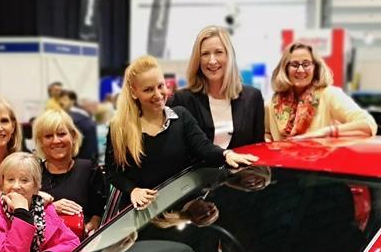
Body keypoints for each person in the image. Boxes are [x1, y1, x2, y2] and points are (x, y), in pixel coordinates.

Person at [107, 55, 257, 211]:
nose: (158, 95)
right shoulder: (120, 128)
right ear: (133, 92)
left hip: (183, 210)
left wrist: (227, 154)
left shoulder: (181, 116)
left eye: (161, 86)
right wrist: (133, 190)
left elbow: (204, 147)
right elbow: (113, 172)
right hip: (144, 216)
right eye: (148, 90)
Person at [169, 25, 266, 151]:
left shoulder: (253, 97)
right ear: (198, 60)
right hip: (200, 170)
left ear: (228, 56)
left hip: (244, 169)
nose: (212, 60)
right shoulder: (183, 99)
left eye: (218, 52)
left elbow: (258, 148)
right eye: (205, 54)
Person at [265, 43, 375, 142]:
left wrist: (327, 132)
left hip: (319, 163)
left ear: (315, 68)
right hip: (281, 163)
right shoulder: (272, 103)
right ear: (285, 69)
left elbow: (368, 124)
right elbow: (266, 135)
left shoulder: (329, 95)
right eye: (294, 65)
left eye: (306, 64)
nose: (300, 70)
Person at [32, 107, 107, 237]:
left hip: (82, 246)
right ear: (40, 142)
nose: (56, 140)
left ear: (73, 136)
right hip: (43, 249)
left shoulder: (90, 169)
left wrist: (92, 225)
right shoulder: (32, 173)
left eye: (61, 134)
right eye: (49, 136)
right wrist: (50, 208)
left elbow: (99, 211)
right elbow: (23, 214)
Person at [57, 88, 100, 162]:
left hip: (80, 158)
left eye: (64, 99)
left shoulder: (75, 118)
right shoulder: (77, 116)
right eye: (60, 99)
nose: (61, 102)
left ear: (72, 101)